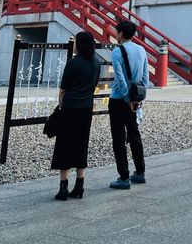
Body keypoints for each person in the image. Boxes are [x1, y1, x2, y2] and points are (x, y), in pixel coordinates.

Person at [51, 30, 100, 200]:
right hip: (86, 107)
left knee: (65, 144)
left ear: (78, 45)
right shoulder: (96, 62)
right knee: (81, 143)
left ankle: (63, 187)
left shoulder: (73, 63)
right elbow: (94, 85)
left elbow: (63, 89)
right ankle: (80, 185)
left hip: (71, 106)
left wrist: (60, 106)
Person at [109, 20, 148, 189]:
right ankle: (140, 172)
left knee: (118, 137)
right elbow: (145, 76)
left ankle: (124, 177)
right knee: (134, 134)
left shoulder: (117, 52)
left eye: (116, 32)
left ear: (121, 34)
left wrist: (126, 97)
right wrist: (138, 98)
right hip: (135, 98)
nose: (115, 35)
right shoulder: (141, 50)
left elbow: (120, 77)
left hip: (119, 99)